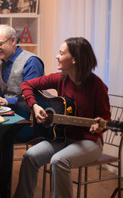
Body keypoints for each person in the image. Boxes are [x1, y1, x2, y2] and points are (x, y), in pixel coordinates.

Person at [14, 37, 111, 198]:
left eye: (61, 53)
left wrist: (99, 125)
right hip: (62, 137)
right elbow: (26, 85)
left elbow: (105, 118)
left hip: (89, 141)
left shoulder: (97, 85)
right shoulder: (60, 78)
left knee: (59, 161)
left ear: (74, 60)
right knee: (29, 156)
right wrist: (35, 106)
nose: (56, 56)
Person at [0, 24, 44, 142]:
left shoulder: (31, 62)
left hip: (27, 122)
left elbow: (34, 98)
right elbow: (1, 94)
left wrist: (6, 101)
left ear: (13, 40)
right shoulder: (2, 63)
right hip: (7, 117)